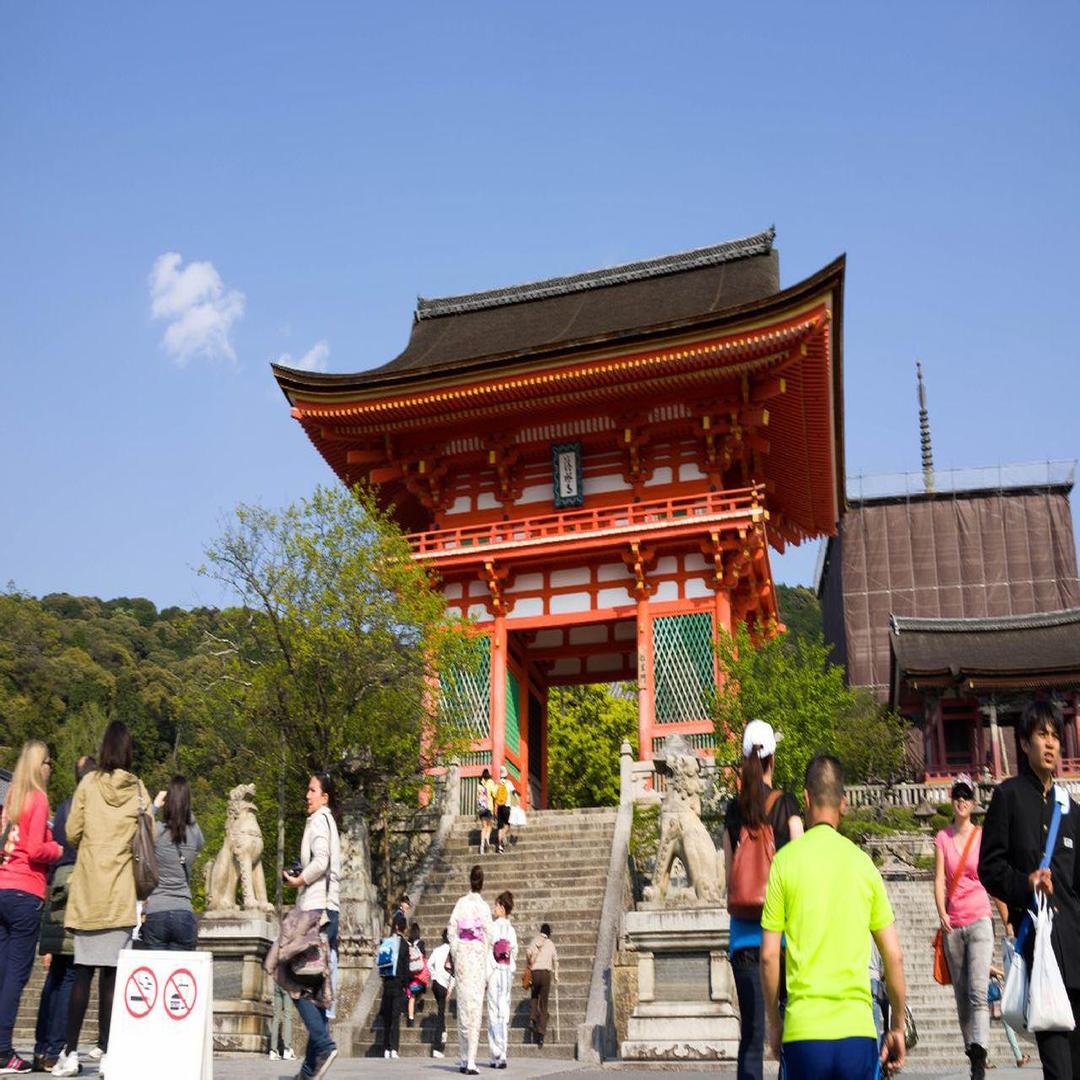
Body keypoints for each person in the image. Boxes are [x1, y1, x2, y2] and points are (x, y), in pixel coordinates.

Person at [761, 754, 907, 1079]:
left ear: (807, 798)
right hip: (858, 1030)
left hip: (804, 1032)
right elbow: (894, 956)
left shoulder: (784, 863)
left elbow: (770, 956)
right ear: (843, 802)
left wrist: (774, 1022)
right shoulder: (864, 865)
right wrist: (896, 1026)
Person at [979, 701, 1080, 1079]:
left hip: (1076, 951)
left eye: (1055, 735)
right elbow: (988, 868)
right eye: (1042, 735)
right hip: (1040, 953)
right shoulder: (1008, 797)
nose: (1051, 744)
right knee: (1059, 1069)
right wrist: (1025, 884)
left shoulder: (1071, 809)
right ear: (1024, 743)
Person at [53, 721, 151, 1078]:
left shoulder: (88, 784)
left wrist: (93, 844)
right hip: (121, 894)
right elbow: (148, 836)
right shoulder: (139, 790)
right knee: (111, 979)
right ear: (128, 750)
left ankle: (70, 1053)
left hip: (89, 891)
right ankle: (108, 1054)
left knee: (82, 975)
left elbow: (70, 831)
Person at [722, 718, 803, 1080]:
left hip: (744, 940)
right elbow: (803, 870)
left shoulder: (732, 811)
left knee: (752, 1038)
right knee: (791, 1033)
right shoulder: (786, 805)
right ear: (773, 757)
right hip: (783, 937)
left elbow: (728, 877)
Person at [0, 740, 63, 1075]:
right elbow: (38, 849)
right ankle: (3, 1051)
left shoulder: (11, 799)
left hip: (2, 886)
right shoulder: (38, 799)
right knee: (16, 975)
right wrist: (57, 847)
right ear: (41, 765)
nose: (51, 767)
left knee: (1, 972)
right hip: (26, 892)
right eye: (49, 761)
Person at [32, 755, 96, 1073]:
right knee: (71, 971)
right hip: (78, 884)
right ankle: (56, 1048)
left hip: (56, 884)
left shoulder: (62, 806)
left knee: (56, 972)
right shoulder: (88, 807)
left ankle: (41, 1044)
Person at [282, 771, 341, 1080]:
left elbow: (320, 860)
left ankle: (324, 1044)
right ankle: (308, 1071)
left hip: (316, 911)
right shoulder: (329, 821)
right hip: (328, 911)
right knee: (315, 988)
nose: (307, 795)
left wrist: (299, 880)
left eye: (312, 790)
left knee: (292, 978)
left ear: (324, 797)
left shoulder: (319, 820)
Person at [934, 772, 993, 1079]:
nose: (961, 800)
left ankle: (980, 1053)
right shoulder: (942, 838)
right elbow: (939, 878)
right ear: (951, 798)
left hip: (980, 918)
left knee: (978, 993)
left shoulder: (982, 837)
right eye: (957, 795)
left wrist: (1006, 920)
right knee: (961, 997)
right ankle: (971, 1050)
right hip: (954, 925)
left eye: (966, 796)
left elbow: (991, 876)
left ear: (973, 801)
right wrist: (941, 912)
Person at [142, 775, 204, 950]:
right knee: (178, 975)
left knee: (156, 974)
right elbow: (199, 839)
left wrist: (154, 806)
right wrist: (183, 806)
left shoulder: (158, 831)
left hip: (156, 911)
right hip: (184, 912)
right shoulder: (194, 833)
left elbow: (139, 835)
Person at [448, 864, 495, 1075]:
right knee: (475, 1008)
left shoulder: (460, 903)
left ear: (470, 881)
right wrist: (482, 948)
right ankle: (471, 1060)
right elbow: (490, 935)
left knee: (462, 1009)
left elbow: (452, 929)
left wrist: (457, 949)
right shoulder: (484, 907)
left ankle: (463, 1057)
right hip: (475, 958)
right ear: (482, 883)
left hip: (463, 959)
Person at [486, 890, 517, 1068]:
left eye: (497, 905)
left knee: (493, 1011)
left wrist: (487, 974)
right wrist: (511, 970)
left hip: (495, 972)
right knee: (503, 1012)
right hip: (506, 972)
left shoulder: (493, 927)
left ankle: (495, 1052)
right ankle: (502, 1053)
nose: (495, 908)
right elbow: (514, 952)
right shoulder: (511, 930)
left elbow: (489, 950)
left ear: (503, 908)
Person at [379, 911, 410, 1059]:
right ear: (403, 928)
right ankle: (394, 1048)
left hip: (387, 983)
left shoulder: (386, 942)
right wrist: (405, 984)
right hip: (398, 985)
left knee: (387, 1018)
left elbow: (381, 966)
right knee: (395, 1017)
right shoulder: (404, 945)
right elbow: (406, 967)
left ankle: (385, 1047)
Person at [988, 964, 1030, 1069]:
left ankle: (1019, 1057)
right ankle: (1019, 1057)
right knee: (1007, 1028)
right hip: (990, 997)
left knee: (986, 1030)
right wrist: (1000, 972)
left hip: (988, 997)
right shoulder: (983, 951)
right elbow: (987, 966)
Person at [526, 923, 558, 1049]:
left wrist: (530, 961)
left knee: (534, 996)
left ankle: (532, 1018)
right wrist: (556, 975)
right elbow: (556, 960)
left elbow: (528, 952)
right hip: (545, 974)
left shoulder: (535, 941)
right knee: (544, 1004)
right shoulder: (550, 944)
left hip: (534, 972)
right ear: (549, 933)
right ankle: (541, 1033)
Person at [428, 929, 455, 1058]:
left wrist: (434, 976)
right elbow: (454, 972)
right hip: (444, 985)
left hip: (435, 984)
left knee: (441, 1010)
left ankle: (443, 1031)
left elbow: (428, 964)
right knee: (441, 1013)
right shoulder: (452, 951)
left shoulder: (437, 950)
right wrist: (450, 987)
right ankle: (437, 1048)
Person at [405, 921, 429, 1027]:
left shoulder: (407, 944)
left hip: (410, 974)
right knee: (417, 993)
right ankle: (414, 1008)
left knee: (412, 996)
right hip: (419, 975)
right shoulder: (421, 943)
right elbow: (423, 956)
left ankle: (410, 1019)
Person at [493, 769, 512, 854]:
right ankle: (504, 835)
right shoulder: (509, 783)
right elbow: (514, 793)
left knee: (500, 827)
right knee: (507, 824)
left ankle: (500, 846)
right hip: (507, 806)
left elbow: (494, 795)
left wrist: (494, 808)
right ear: (506, 775)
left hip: (499, 807)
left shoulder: (497, 784)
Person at [477, 769, 495, 855]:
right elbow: (494, 793)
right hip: (489, 807)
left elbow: (478, 797)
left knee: (484, 826)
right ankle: (487, 837)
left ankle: (481, 845)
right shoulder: (490, 782)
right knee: (490, 824)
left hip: (481, 808)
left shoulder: (479, 784)